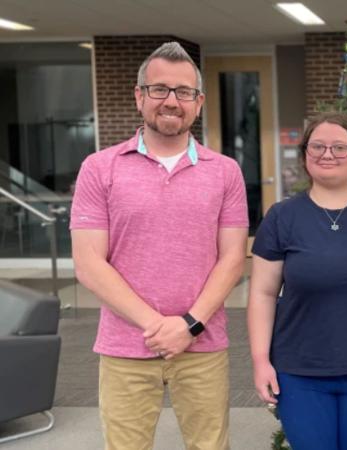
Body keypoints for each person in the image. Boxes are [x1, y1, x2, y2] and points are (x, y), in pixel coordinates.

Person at [71, 42, 248, 450]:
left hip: (202, 345)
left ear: (199, 103)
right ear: (139, 96)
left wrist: (187, 325)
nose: (172, 101)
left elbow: (233, 258)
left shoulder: (225, 172)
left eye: (184, 92)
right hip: (124, 348)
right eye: (160, 89)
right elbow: (89, 263)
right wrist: (159, 327)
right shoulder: (100, 168)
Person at [247, 112, 347, 450]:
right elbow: (263, 293)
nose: (327, 154)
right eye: (317, 146)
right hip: (300, 371)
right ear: (306, 154)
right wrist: (260, 360)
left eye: (340, 147)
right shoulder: (282, 217)